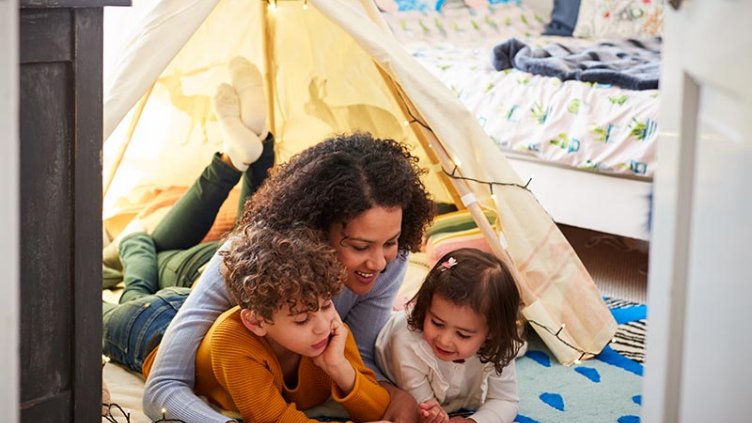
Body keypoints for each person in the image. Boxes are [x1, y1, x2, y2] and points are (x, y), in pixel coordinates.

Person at [134, 62, 435, 421]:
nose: (380, 262)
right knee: (149, 258)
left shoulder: (390, 261)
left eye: (391, 242)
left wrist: (393, 395)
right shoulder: (239, 258)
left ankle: (250, 150)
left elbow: (359, 357)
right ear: (318, 230)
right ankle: (142, 236)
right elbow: (163, 389)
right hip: (185, 281)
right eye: (359, 246)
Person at [375, 248, 523, 423]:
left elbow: (506, 400)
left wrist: (474, 421)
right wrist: (434, 415)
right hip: (393, 359)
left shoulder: (501, 345)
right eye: (437, 323)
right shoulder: (406, 341)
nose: (444, 340)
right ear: (425, 307)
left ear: (492, 332)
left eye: (462, 334)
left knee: (514, 347)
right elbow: (424, 408)